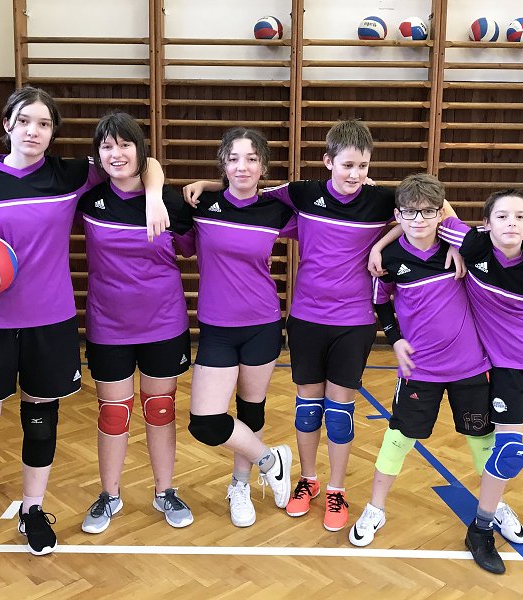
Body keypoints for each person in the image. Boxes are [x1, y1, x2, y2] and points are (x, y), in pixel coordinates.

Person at [0, 88, 167, 579]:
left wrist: (154, 195)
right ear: (7, 123)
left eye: (44, 123)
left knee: (40, 421)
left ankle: (32, 509)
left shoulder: (70, 175)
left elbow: (140, 161)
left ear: (53, 132)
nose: (33, 130)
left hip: (51, 322)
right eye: (25, 120)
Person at [185, 120, 402, 531]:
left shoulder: (380, 201)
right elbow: (245, 191)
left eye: (362, 166)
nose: (355, 173)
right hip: (303, 318)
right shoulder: (301, 194)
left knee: (337, 414)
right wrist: (207, 184)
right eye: (347, 165)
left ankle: (335, 489)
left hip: (352, 321)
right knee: (305, 410)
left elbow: (431, 209)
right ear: (328, 161)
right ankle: (302, 476)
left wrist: (381, 243)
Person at [348, 174, 523, 548]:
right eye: (411, 213)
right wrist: (395, 340)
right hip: (419, 369)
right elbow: (380, 303)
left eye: (429, 212)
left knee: (483, 440)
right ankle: (375, 508)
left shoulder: (463, 249)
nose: (419, 219)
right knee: (399, 439)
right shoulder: (389, 259)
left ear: (440, 213)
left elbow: (509, 236)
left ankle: (496, 505)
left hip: (472, 368)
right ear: (399, 214)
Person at [438, 189, 523, 574]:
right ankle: (480, 529)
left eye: (519, 217)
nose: (510, 223)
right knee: (509, 452)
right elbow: (437, 202)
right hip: (504, 371)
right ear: (486, 224)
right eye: (501, 216)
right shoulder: (473, 245)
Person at [77, 112, 194, 533]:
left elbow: (191, 249)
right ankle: (109, 495)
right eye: (107, 146)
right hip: (108, 325)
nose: (116, 153)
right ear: (98, 154)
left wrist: (157, 193)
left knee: (160, 409)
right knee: (113, 413)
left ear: (140, 149)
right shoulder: (88, 198)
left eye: (125, 144)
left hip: (163, 322)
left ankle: (165, 491)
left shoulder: (171, 203)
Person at [184, 127, 295, 528]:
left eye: (251, 159)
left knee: (251, 410)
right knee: (206, 421)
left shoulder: (277, 211)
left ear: (264, 166)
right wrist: (207, 185)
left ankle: (240, 486)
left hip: (262, 323)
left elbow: (332, 216)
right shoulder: (202, 205)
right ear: (223, 164)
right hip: (217, 328)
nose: (242, 166)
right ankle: (270, 460)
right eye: (233, 159)